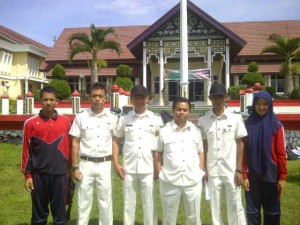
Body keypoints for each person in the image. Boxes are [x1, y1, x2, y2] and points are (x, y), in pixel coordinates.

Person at [112, 84, 163, 225]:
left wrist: (159, 167)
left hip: (149, 168)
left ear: (147, 99)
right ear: (131, 100)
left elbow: (162, 145)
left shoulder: (156, 119)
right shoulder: (124, 119)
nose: (139, 101)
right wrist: (116, 164)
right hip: (129, 168)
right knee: (128, 204)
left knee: (150, 204)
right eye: (136, 98)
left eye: (142, 98)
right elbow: (116, 141)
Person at [69, 82, 118, 225]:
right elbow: (75, 142)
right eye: (94, 96)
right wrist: (74, 166)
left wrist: (115, 163)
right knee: (83, 202)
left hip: (105, 164)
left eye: (100, 96)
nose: (97, 99)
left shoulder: (112, 118)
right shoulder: (81, 117)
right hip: (85, 164)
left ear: (105, 98)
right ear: (89, 97)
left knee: (106, 201)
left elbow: (116, 142)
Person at [198, 83, 247, 225]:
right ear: (210, 98)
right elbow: (204, 146)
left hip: (231, 169)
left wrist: (239, 168)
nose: (218, 100)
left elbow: (240, 143)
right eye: (214, 97)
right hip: (212, 169)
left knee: (235, 204)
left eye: (220, 97)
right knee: (215, 205)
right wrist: (204, 169)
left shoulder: (235, 118)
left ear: (226, 98)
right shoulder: (204, 120)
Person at [21, 86, 71, 225]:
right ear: (40, 101)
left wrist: (70, 169)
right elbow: (26, 151)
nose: (48, 102)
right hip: (39, 175)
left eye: (51, 100)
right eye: (45, 100)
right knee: (39, 214)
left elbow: (69, 147)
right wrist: (28, 176)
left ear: (57, 101)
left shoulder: (65, 121)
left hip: (60, 174)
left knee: (60, 214)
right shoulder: (30, 123)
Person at [154, 97, 205, 225]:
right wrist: (160, 172)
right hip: (170, 181)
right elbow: (157, 153)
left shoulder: (196, 131)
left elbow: (201, 152)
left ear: (189, 112)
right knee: (169, 218)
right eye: (178, 109)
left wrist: (200, 171)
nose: (181, 112)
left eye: (185, 110)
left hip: (192, 181)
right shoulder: (164, 131)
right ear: (173, 111)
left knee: (194, 218)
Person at [242, 91, 287, 225]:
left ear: (270, 105)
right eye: (258, 104)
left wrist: (282, 177)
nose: (261, 107)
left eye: (265, 104)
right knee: (252, 212)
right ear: (254, 105)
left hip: (271, 174)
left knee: (272, 212)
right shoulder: (247, 124)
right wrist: (244, 175)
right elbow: (244, 153)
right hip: (252, 176)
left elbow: (281, 153)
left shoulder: (276, 125)